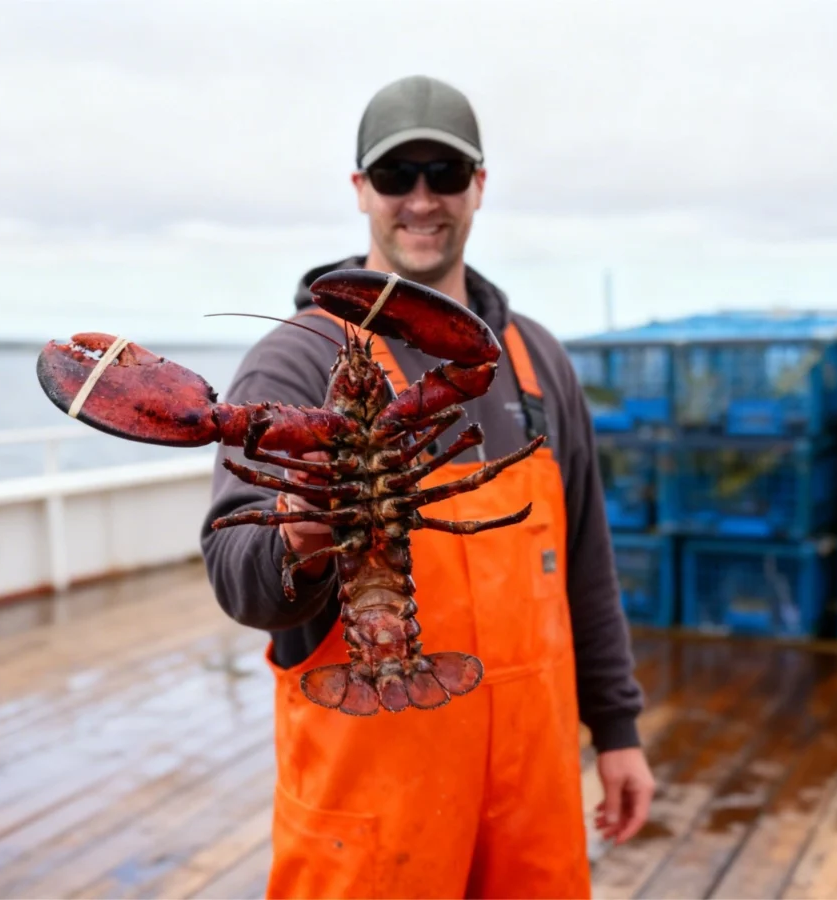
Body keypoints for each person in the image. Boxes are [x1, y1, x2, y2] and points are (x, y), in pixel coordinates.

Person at [200, 74, 654, 899]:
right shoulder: (296, 357)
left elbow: (586, 559)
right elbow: (235, 572)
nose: (420, 199)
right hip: (376, 803)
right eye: (393, 177)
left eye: (443, 175)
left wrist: (616, 726)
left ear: (479, 186)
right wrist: (294, 540)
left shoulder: (533, 360)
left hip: (533, 791)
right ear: (359, 190)